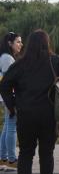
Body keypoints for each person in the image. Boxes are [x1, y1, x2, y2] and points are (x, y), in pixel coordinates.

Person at [0, 29, 59, 174]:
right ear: (47, 43)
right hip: (49, 115)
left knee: (26, 154)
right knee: (47, 155)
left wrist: (13, 105)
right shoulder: (55, 61)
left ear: (29, 45)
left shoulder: (20, 64)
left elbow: (4, 85)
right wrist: (57, 86)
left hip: (26, 115)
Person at [0, 32, 23, 169]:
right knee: (11, 127)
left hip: (4, 97)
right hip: (9, 98)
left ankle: (3, 158)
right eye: (18, 42)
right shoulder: (8, 59)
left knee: (7, 127)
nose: (21, 44)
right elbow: (10, 82)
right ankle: (12, 160)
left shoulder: (4, 57)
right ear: (10, 43)